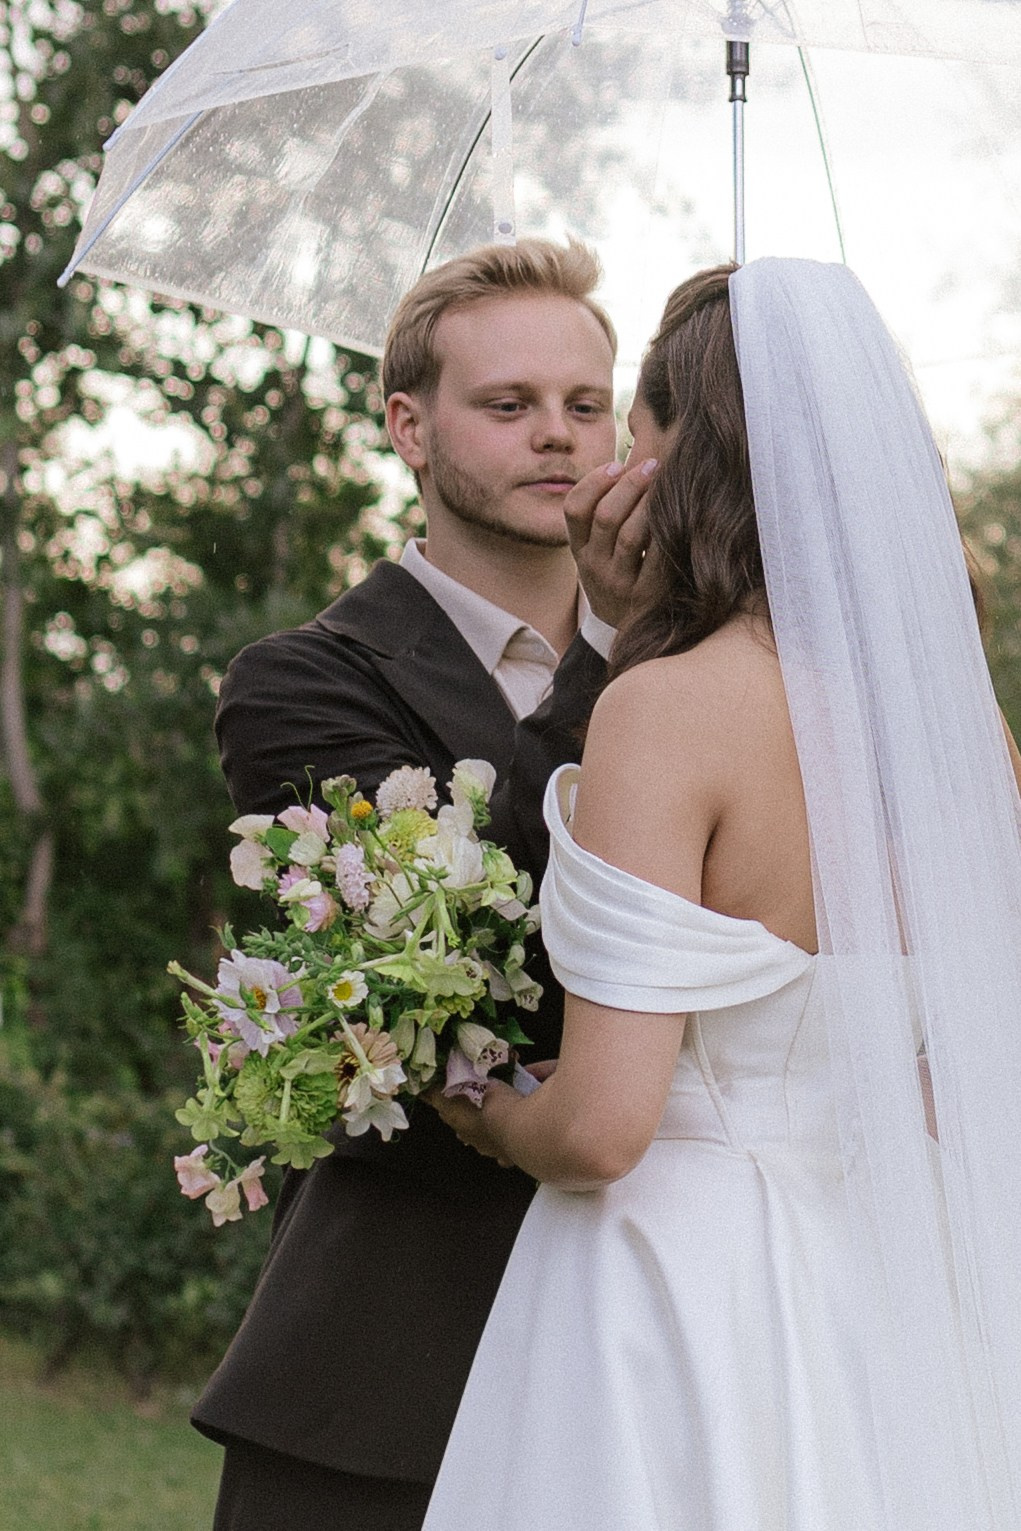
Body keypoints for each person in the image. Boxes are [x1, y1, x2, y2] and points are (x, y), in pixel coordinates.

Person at [423, 258, 1021, 1530]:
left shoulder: (668, 711)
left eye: (629, 426)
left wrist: (479, 1100)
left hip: (663, 1286)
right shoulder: (965, 739)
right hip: (876, 1287)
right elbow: (938, 1077)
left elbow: (600, 1128)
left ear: (680, 455)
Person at [190, 238, 654, 1530]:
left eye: (583, 404)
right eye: (507, 405)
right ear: (408, 421)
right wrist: (609, 666)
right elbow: (475, 942)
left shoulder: (711, 658)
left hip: (668, 1314)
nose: (556, 438)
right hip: (397, 1346)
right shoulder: (301, 679)